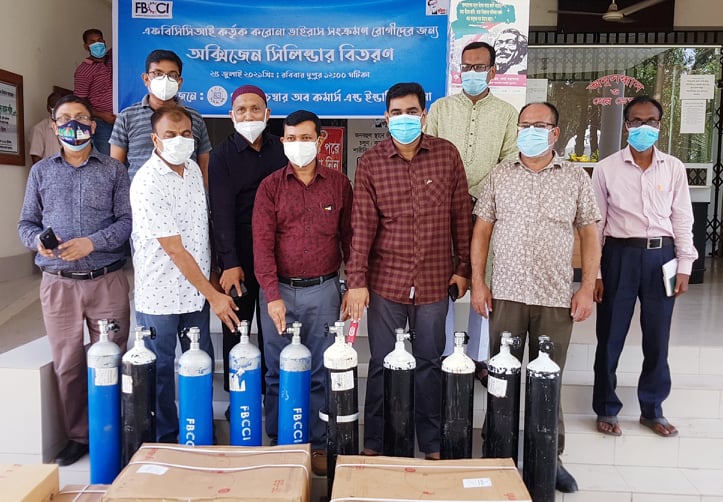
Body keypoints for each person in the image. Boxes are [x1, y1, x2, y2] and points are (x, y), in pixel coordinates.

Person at [471, 102, 601, 493]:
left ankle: (549, 456)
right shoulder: (500, 175)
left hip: (554, 297)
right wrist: (478, 282)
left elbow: (590, 234)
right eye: (524, 125)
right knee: (501, 377)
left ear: (555, 133)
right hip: (507, 294)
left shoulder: (575, 178)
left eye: (539, 125)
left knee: (549, 380)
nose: (530, 131)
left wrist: (586, 287)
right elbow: (482, 231)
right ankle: (497, 450)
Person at [345, 82, 472, 460]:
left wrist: (463, 268)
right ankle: (376, 440)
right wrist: (356, 280)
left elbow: (460, 215)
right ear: (386, 118)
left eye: (411, 112)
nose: (404, 119)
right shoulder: (371, 163)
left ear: (424, 115)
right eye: (397, 113)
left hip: (434, 280)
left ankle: (430, 442)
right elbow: (362, 226)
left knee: (430, 362)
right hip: (386, 281)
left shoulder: (446, 155)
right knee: (383, 362)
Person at [18, 94, 131, 466]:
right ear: (54, 127)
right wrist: (38, 241)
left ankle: (114, 429)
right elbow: (26, 224)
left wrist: (92, 243)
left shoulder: (113, 170)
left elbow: (127, 223)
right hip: (58, 283)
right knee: (67, 363)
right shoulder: (41, 172)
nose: (74, 125)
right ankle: (80, 435)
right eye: (65, 118)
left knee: (111, 358)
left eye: (81, 118)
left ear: (94, 125)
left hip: (106, 279)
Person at [130, 106, 240, 443]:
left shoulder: (193, 170)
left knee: (200, 362)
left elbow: (200, 231)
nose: (179, 140)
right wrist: (214, 296)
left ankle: (200, 430)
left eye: (186, 134)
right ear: (155, 139)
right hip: (160, 295)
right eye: (170, 135)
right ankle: (165, 438)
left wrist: (213, 277)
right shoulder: (147, 182)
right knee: (161, 370)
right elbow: (175, 249)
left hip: (195, 294)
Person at [252, 109, 352, 476]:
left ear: (320, 140)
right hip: (279, 291)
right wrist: (272, 295)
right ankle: (281, 441)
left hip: (324, 290)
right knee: (277, 371)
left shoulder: (339, 184)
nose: (299, 145)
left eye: (306, 138)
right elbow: (262, 245)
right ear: (282, 142)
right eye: (292, 139)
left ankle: (318, 444)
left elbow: (350, 238)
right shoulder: (270, 187)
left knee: (320, 373)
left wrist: (353, 283)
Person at [592, 96, 697, 438]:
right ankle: (606, 407)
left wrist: (685, 264)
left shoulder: (674, 168)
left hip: (661, 258)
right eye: (636, 121)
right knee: (610, 337)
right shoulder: (606, 168)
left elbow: (682, 218)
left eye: (650, 121)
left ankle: (652, 409)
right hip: (619, 256)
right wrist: (595, 273)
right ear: (626, 125)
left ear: (660, 126)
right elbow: (595, 225)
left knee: (657, 337)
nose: (643, 127)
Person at [424, 40, 518, 376]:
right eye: (466, 67)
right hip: (442, 208)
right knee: (441, 277)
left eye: (479, 67)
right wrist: (454, 196)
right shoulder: (441, 109)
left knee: (484, 278)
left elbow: (510, 160)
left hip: (487, 211)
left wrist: (478, 195)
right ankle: (445, 353)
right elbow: (427, 154)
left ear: (493, 71)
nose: (472, 73)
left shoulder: (507, 113)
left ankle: (479, 358)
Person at [208, 85, 287, 416]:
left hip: (276, 253)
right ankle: (238, 396)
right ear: (231, 115)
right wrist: (229, 262)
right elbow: (221, 211)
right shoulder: (221, 156)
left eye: (255, 109)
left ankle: (272, 396)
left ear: (267, 113)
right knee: (236, 327)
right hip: (238, 254)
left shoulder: (281, 148)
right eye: (241, 110)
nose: (248, 115)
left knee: (273, 328)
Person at [111, 49, 211, 184]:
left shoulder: (195, 118)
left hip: (186, 193)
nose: (165, 80)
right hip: (140, 195)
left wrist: (205, 195)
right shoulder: (126, 117)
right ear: (146, 79)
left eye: (172, 75)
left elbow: (204, 167)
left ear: (179, 82)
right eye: (158, 74)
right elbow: (116, 167)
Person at [74, 29, 114, 155]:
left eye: (100, 40)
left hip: (122, 120)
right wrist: (103, 115)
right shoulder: (83, 71)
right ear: (86, 46)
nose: (97, 44)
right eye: (92, 42)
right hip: (102, 123)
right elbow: (80, 102)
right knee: (108, 159)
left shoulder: (113, 58)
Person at [29, 91, 64, 164]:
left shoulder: (69, 127)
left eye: (60, 105)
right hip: (49, 170)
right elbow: (36, 160)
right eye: (54, 105)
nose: (57, 109)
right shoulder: (39, 129)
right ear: (48, 108)